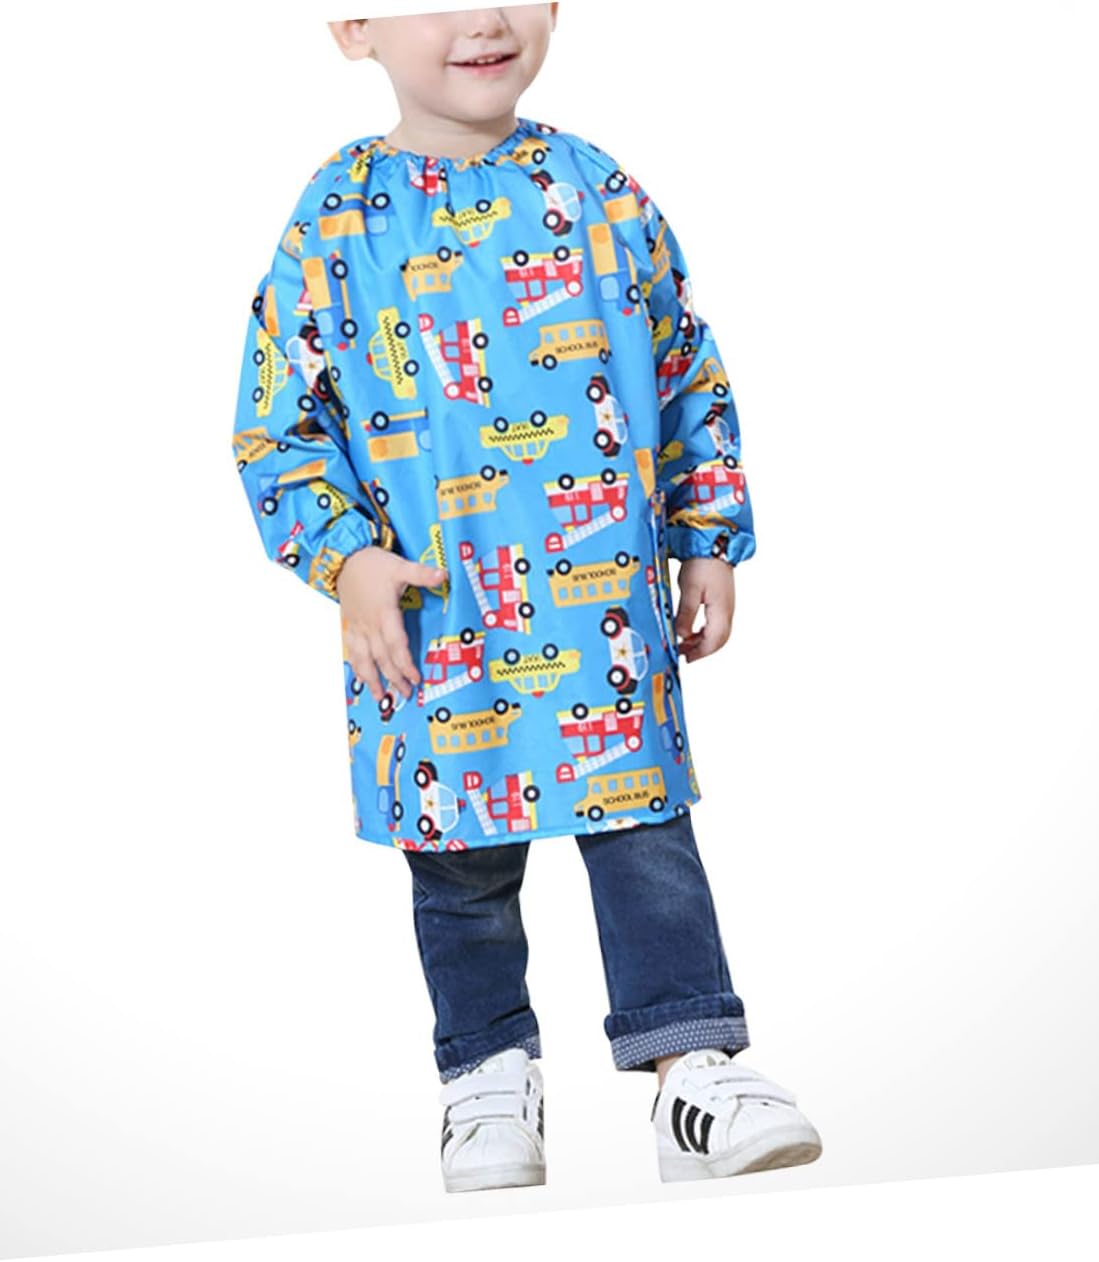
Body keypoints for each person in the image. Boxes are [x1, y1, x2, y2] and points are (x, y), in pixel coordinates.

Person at [231, 4, 823, 1193]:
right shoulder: (335, 219)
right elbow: (278, 416)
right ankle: (486, 1071)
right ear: (353, 26)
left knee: (645, 834)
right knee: (459, 868)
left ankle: (693, 1065)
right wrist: (346, 559)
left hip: (601, 606)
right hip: (434, 617)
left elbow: (683, 363)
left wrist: (707, 536)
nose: (484, 19)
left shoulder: (598, 190)